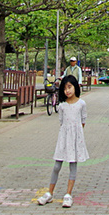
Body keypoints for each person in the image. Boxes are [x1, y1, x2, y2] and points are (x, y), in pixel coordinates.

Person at [37, 74, 88, 208]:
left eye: (70, 87)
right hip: (63, 138)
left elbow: (83, 121)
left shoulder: (81, 104)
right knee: (56, 166)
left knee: (72, 166)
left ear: (75, 87)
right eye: (65, 88)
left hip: (75, 139)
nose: (68, 91)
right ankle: (49, 193)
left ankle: (68, 194)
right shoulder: (62, 106)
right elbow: (61, 122)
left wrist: (76, 135)